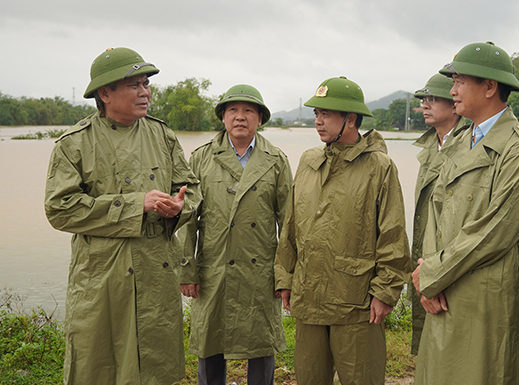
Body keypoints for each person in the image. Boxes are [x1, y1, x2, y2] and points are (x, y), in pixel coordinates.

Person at [44, 47, 199, 385]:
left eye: (146, 84)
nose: (145, 92)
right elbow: (59, 209)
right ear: (105, 93)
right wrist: (133, 204)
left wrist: (179, 207)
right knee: (97, 365)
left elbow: (191, 189)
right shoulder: (74, 144)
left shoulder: (163, 136)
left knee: (156, 368)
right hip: (101, 278)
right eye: (134, 85)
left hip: (156, 272)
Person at [412, 42, 519, 385]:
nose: (452, 90)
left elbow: (496, 231)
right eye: (453, 81)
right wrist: (427, 271)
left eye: (460, 81)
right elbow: (435, 212)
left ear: (489, 87)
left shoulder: (518, 152)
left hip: (484, 296)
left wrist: (434, 273)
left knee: (484, 373)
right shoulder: (458, 140)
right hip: (442, 290)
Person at [274, 76, 411, 385]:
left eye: (326, 114)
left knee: (362, 378)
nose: (318, 122)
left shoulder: (379, 167)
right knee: (309, 377)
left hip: (357, 303)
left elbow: (393, 236)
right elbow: (291, 225)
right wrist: (285, 277)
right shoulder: (309, 161)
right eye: (316, 114)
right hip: (309, 300)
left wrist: (386, 292)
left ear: (350, 119)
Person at [179, 84, 292, 385]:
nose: (240, 117)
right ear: (223, 118)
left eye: (248, 111)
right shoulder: (201, 158)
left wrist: (285, 276)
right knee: (210, 343)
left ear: (259, 119)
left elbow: (289, 222)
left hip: (261, 270)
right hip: (213, 268)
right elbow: (187, 219)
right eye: (233, 110)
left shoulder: (276, 160)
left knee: (261, 346)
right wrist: (186, 269)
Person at [409, 73, 469, 355]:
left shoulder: (468, 146)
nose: (425, 105)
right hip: (426, 262)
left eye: (433, 99)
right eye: (423, 99)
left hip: (450, 268)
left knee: (455, 352)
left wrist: (437, 272)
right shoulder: (433, 146)